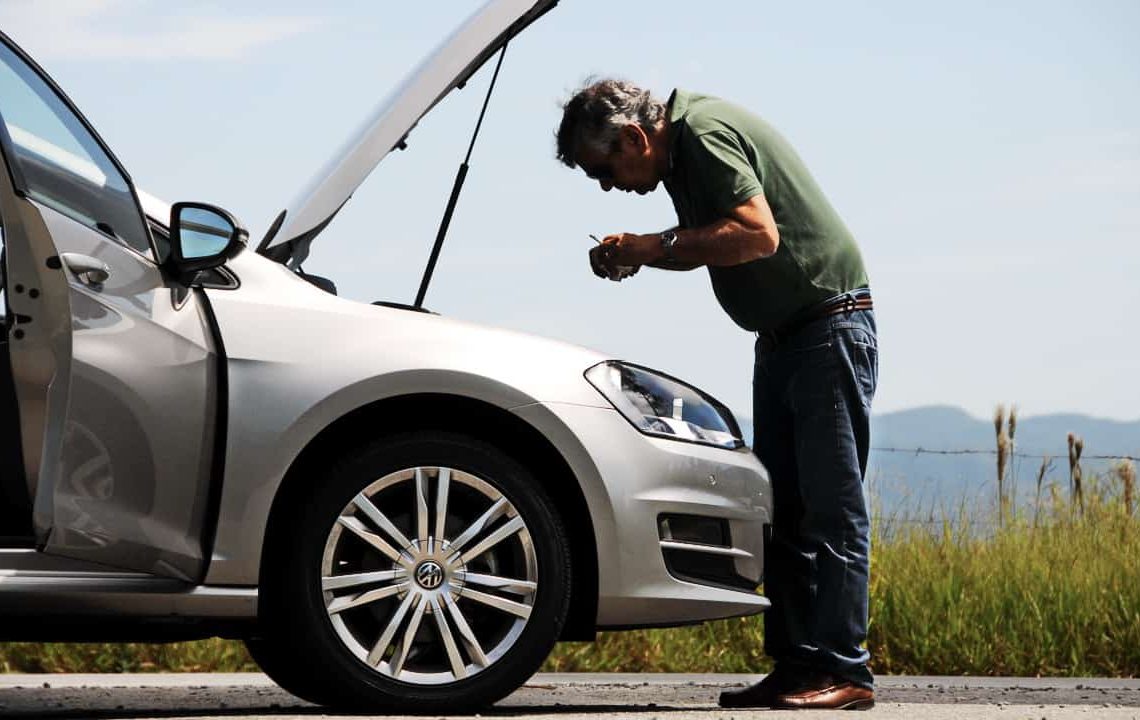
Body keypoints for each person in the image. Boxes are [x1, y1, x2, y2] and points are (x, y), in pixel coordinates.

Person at [555, 79, 879, 711]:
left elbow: (756, 235)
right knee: (786, 512)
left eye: (603, 171)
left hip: (825, 329)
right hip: (787, 338)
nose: (607, 187)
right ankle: (798, 667)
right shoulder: (680, 154)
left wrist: (652, 245)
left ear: (634, 138)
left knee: (831, 509)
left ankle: (846, 670)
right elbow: (712, 241)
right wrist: (646, 254)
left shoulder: (702, 135)